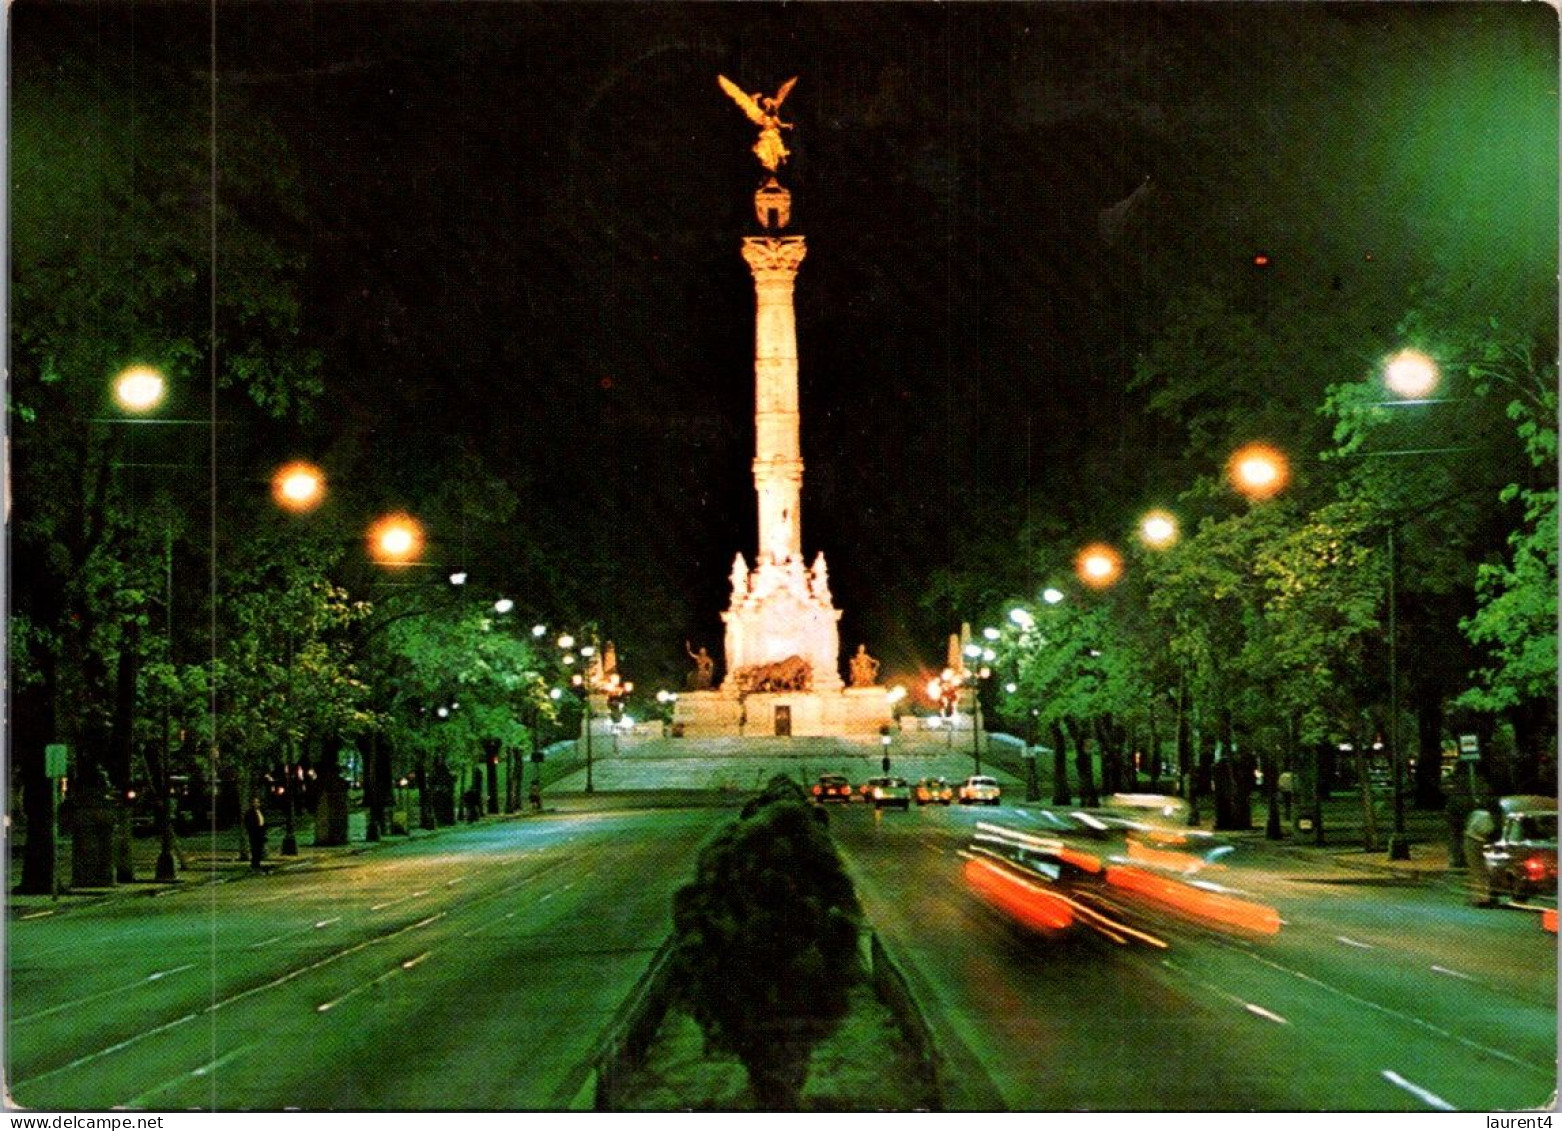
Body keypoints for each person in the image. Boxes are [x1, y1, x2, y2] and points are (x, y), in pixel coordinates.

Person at [243, 796, 267, 869]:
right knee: (255, 849)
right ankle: (254, 864)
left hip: (261, 833)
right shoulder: (249, 813)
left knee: (259, 849)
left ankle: (257, 863)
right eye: (255, 802)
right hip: (254, 833)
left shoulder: (260, 811)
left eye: (258, 802)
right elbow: (248, 823)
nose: (256, 804)